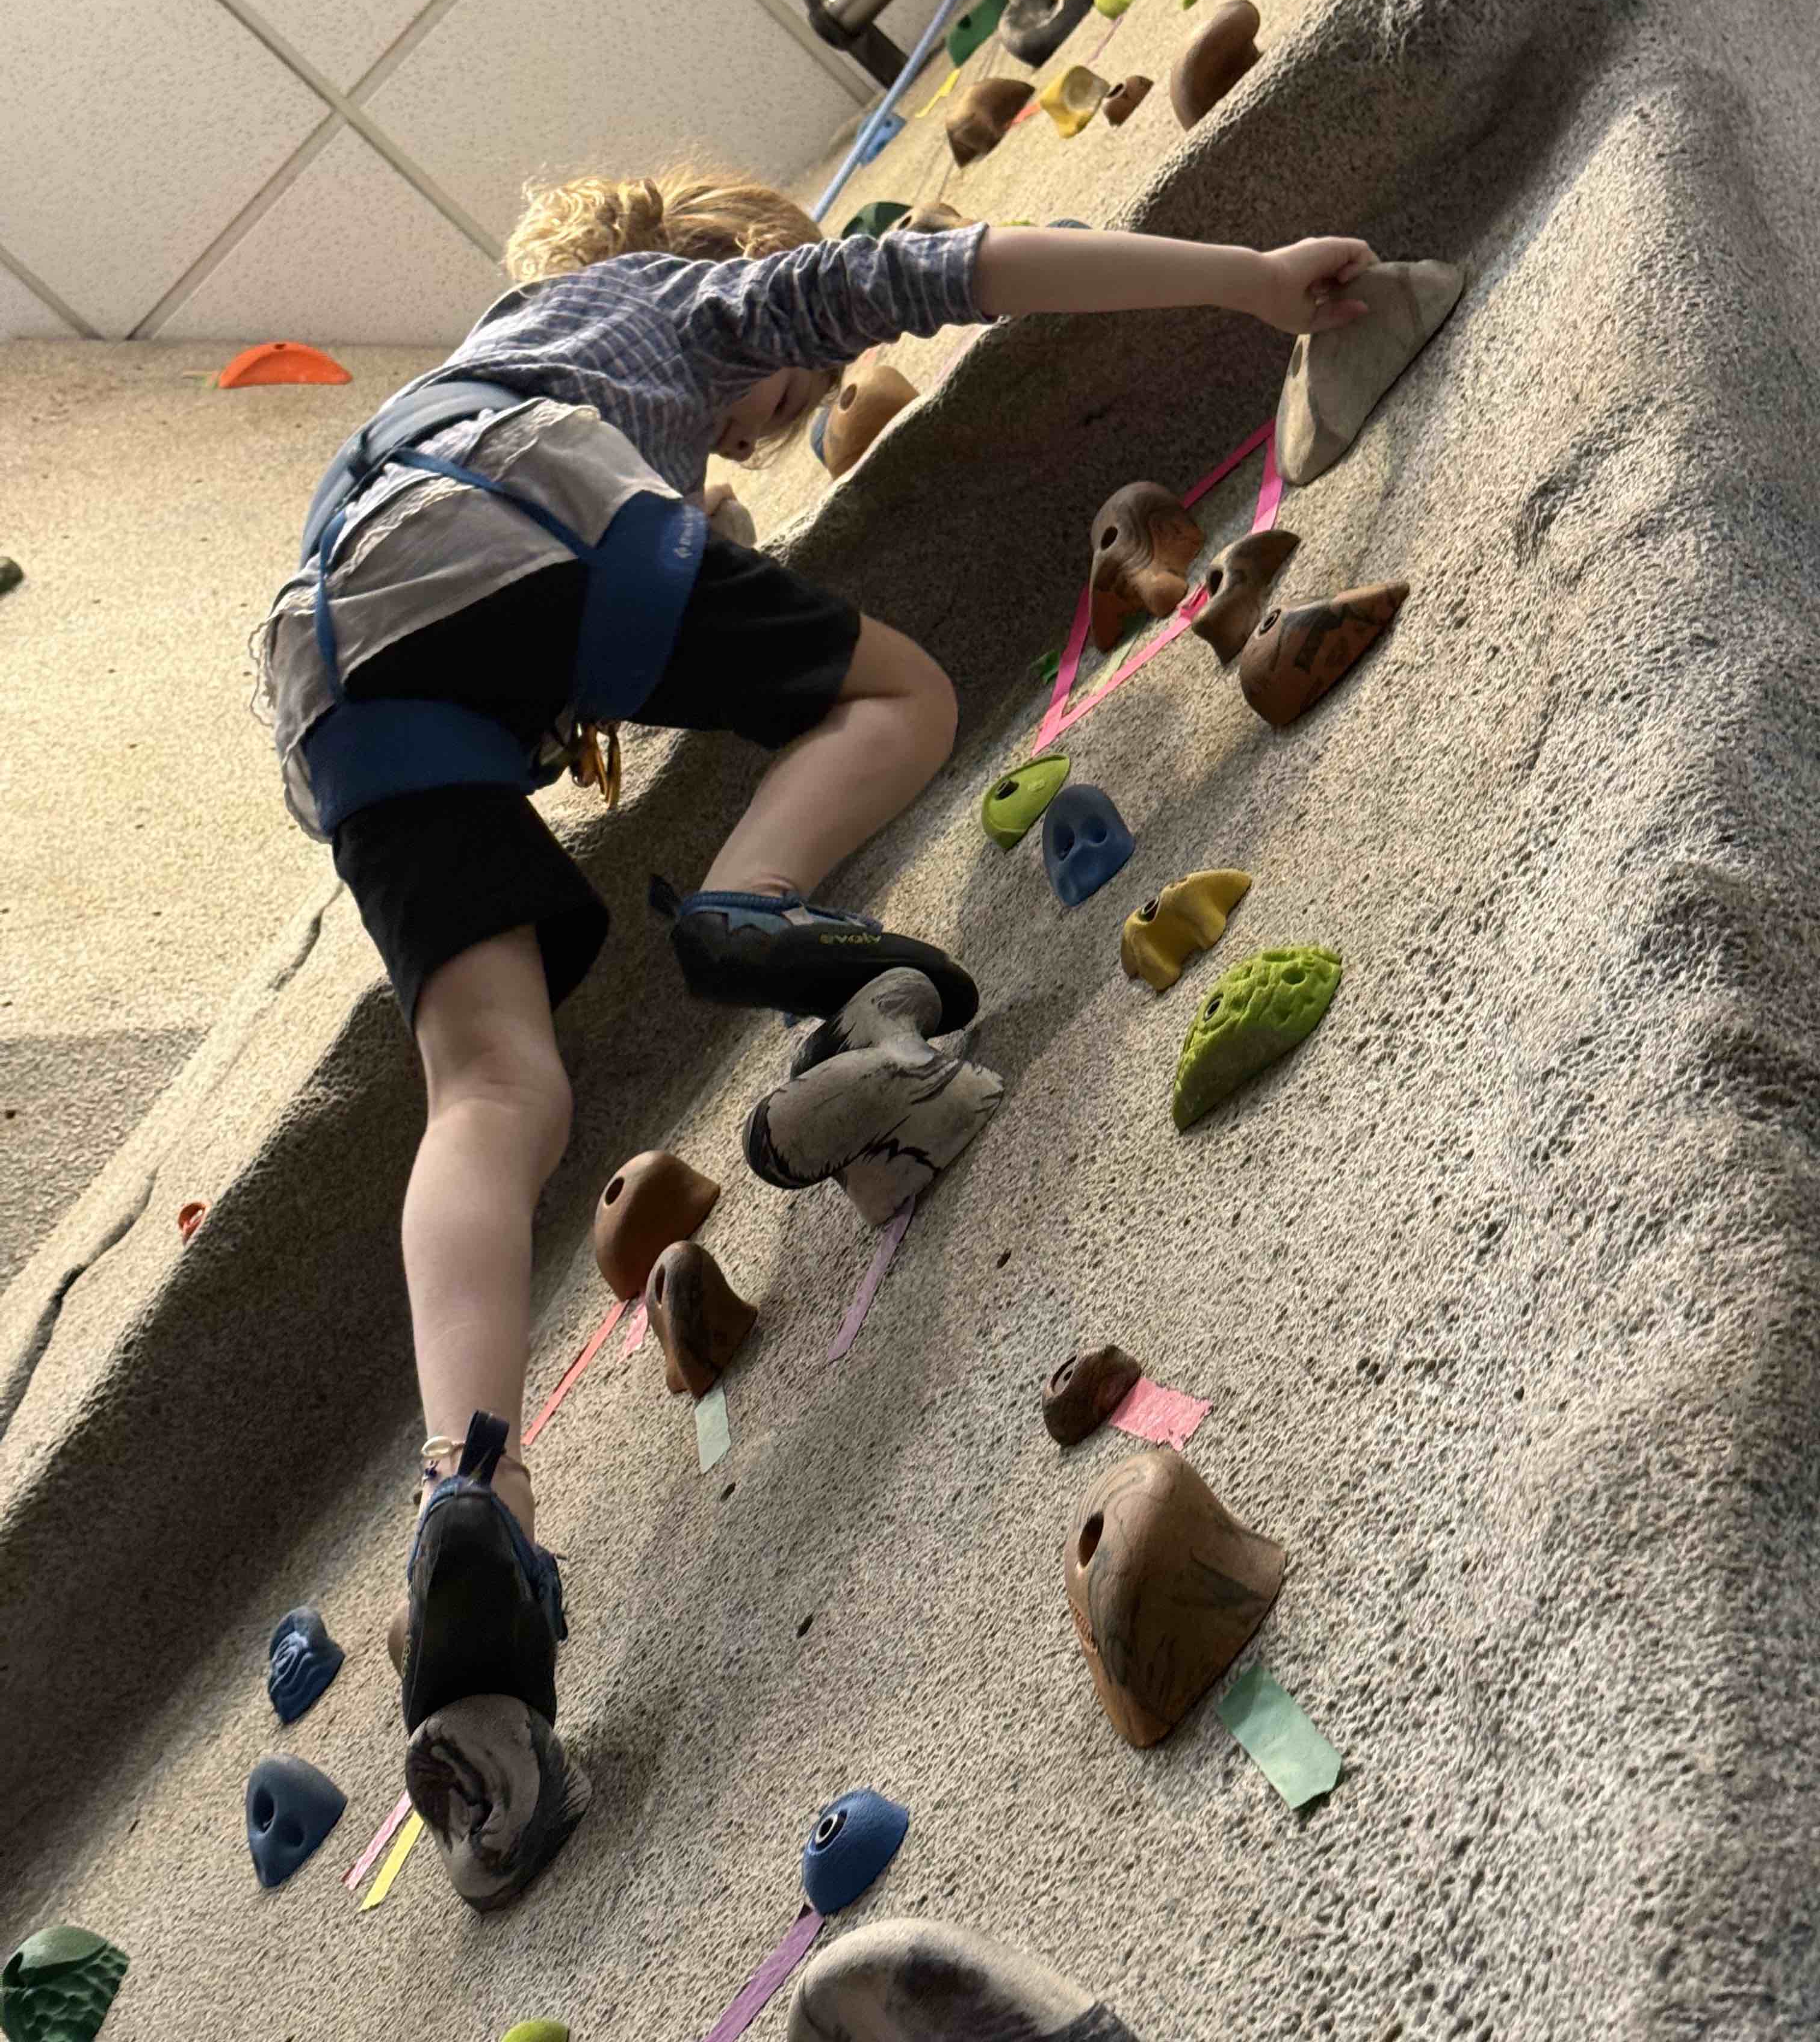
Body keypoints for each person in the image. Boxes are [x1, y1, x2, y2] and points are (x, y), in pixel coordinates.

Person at [253, 167, 1372, 1748]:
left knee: (487, 1087)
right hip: (518, 516)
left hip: (333, 671)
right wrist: (1248, 273)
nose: (776, 424)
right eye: (791, 403)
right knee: (895, 699)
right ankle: (755, 904)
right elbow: (970, 268)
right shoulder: (680, 302)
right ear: (731, 269)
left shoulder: (495, 367)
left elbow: (545, 598)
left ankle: (474, 1483)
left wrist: (686, 513)